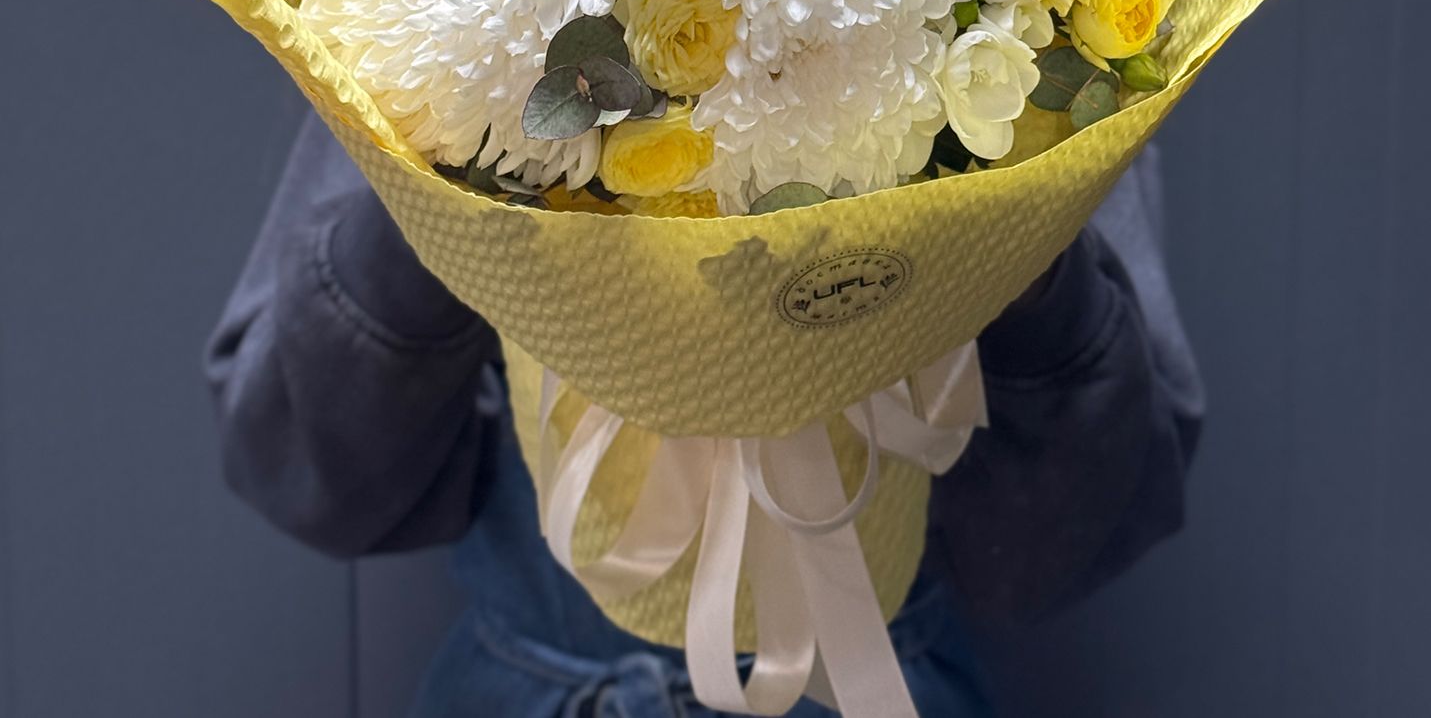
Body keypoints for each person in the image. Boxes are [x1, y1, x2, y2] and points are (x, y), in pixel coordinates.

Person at [207, 114, 1202, 716]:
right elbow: (303, 470)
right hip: (533, 688)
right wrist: (448, 170)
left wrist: (1016, 234)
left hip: (875, 687)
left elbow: (1078, 539)